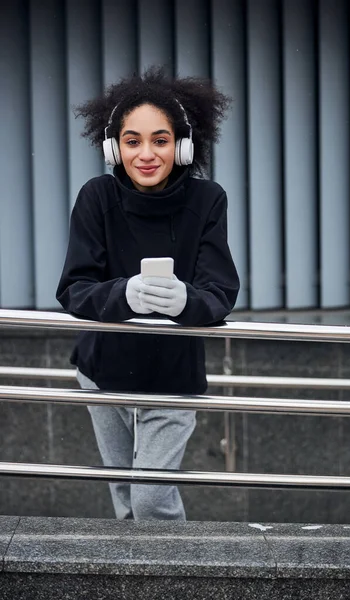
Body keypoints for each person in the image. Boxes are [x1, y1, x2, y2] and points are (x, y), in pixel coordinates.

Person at [56, 66, 240, 521]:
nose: (146, 153)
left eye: (160, 140)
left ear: (181, 146)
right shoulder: (96, 196)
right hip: (103, 371)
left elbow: (220, 291)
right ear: (112, 146)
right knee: (122, 496)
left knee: (151, 500)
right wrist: (125, 295)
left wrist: (185, 302)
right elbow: (74, 288)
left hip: (171, 378)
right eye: (132, 140)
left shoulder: (207, 199)